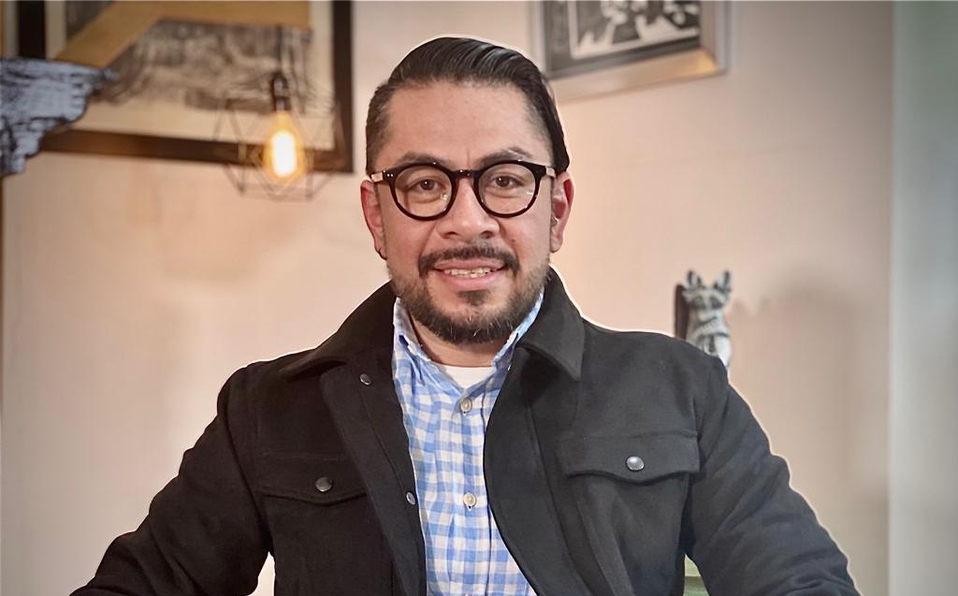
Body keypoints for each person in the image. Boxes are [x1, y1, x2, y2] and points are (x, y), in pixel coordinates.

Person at [74, 37, 859, 596]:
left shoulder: (684, 391)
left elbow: (799, 582)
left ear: (557, 209)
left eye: (506, 179)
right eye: (424, 183)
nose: (467, 221)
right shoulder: (267, 409)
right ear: (377, 216)